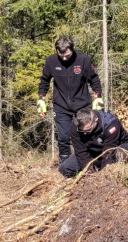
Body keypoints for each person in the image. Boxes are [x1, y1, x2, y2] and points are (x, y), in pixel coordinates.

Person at [38, 36, 103, 166]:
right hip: (61, 106)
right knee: (63, 137)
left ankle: (90, 161)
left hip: (82, 105)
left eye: (67, 55)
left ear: (72, 50)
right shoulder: (51, 61)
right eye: (60, 55)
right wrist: (41, 99)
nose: (64, 58)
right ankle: (65, 164)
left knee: (85, 134)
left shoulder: (83, 59)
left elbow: (94, 79)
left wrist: (98, 97)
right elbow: (44, 80)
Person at [59, 107, 128, 177]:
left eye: (88, 130)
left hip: (115, 148)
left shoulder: (111, 124)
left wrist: (103, 175)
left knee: (120, 154)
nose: (84, 133)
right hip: (93, 152)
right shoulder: (76, 127)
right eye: (82, 131)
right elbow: (81, 153)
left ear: (96, 120)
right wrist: (89, 172)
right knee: (65, 168)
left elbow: (109, 153)